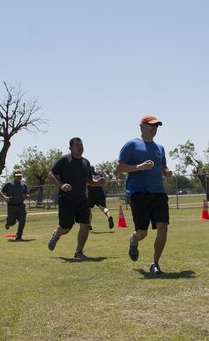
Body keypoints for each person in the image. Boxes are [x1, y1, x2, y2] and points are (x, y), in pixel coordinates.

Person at [116, 115, 173, 275]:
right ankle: (133, 240)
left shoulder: (159, 148)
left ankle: (155, 263)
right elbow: (119, 167)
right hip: (139, 193)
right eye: (151, 126)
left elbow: (163, 166)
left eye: (157, 126)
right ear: (142, 126)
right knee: (142, 233)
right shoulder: (132, 145)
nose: (155, 129)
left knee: (163, 227)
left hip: (158, 193)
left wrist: (166, 171)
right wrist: (138, 167)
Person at [47, 137, 107, 259]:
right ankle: (56, 234)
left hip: (82, 199)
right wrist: (61, 185)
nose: (80, 147)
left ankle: (79, 252)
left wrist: (98, 182)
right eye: (77, 145)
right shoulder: (65, 160)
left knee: (85, 224)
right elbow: (50, 174)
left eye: (81, 145)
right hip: (66, 199)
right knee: (66, 228)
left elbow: (89, 181)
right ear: (71, 148)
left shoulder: (86, 163)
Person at [1, 171, 31, 241]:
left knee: (22, 221)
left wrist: (27, 196)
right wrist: (5, 198)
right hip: (11, 206)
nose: (19, 177)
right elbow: (1, 192)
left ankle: (19, 236)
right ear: (14, 176)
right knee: (12, 222)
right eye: (17, 176)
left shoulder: (24, 185)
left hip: (21, 205)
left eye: (20, 176)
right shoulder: (8, 184)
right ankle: (8, 222)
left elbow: (26, 194)